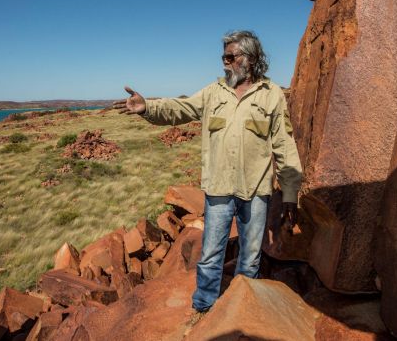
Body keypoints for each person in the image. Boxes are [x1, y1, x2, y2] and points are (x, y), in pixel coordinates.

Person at [112, 30, 303, 316]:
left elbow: (285, 146)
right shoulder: (214, 92)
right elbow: (181, 108)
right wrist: (147, 107)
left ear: (249, 59)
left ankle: (240, 311)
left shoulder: (271, 95)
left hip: (256, 191)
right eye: (223, 57)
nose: (225, 63)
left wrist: (290, 193)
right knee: (211, 255)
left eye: (230, 57)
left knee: (250, 259)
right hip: (219, 191)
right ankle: (203, 309)